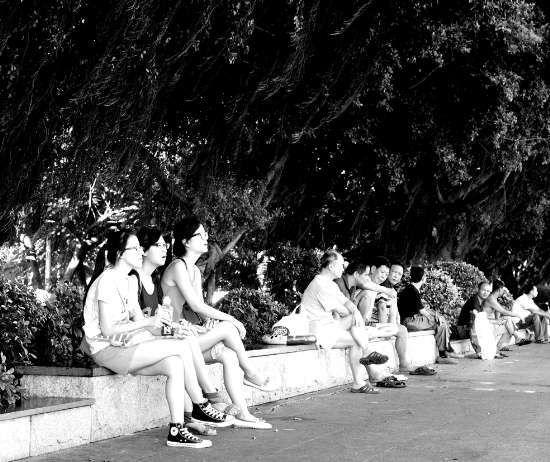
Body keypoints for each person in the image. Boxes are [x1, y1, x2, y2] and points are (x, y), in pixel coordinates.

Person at [82, 229, 233, 449]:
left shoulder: (127, 281)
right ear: (120, 254)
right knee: (181, 348)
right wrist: (148, 323)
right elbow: (108, 330)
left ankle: (177, 430)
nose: (140, 252)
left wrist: (170, 330)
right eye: (134, 249)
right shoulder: (107, 280)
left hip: (127, 344)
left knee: (175, 363)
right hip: (107, 350)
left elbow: (143, 322)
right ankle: (201, 404)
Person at [161, 216, 273, 429]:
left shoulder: (194, 270)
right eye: (200, 235)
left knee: (229, 355)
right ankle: (250, 373)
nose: (206, 238)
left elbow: (200, 310)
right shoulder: (177, 266)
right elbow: (196, 305)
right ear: (185, 241)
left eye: (205, 234)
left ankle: (244, 414)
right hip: (174, 338)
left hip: (191, 337)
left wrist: (209, 323)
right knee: (228, 327)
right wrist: (231, 319)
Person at [301, 249, 389, 394]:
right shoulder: (320, 284)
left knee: (356, 340)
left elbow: (347, 303)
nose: (344, 268)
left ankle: (358, 383)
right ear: (331, 266)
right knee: (356, 327)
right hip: (318, 332)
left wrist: (356, 313)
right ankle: (367, 353)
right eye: (341, 265)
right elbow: (342, 311)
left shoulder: (329, 284)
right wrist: (355, 315)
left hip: (329, 328)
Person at [349, 257, 432, 381]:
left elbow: (394, 312)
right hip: (364, 324)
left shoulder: (385, 288)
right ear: (373, 269)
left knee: (401, 329)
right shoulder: (371, 286)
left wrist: (392, 325)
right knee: (401, 330)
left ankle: (400, 365)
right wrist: (385, 327)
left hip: (367, 324)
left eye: (399, 274)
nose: (388, 276)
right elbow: (382, 308)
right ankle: (401, 364)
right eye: (386, 272)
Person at [397, 266, 457, 364]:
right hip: (410, 321)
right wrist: (436, 317)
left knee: (439, 321)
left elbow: (421, 309)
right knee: (440, 322)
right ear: (423, 278)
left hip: (410, 320)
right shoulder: (413, 291)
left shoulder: (410, 289)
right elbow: (422, 311)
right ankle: (444, 353)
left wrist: (436, 316)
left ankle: (445, 352)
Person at [482, 279, 527, 347]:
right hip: (486, 324)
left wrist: (500, 319)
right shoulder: (491, 299)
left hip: (491, 322)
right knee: (508, 323)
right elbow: (504, 312)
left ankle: (502, 345)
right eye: (502, 289)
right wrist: (518, 315)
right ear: (499, 289)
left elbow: (497, 316)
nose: (503, 291)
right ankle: (515, 338)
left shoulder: (493, 298)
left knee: (509, 325)